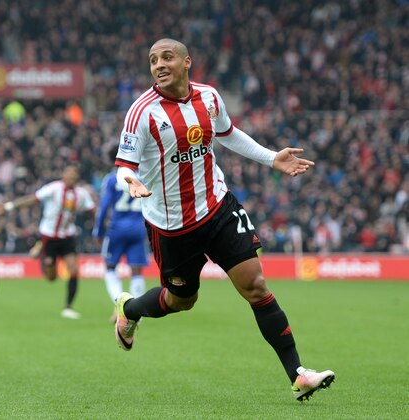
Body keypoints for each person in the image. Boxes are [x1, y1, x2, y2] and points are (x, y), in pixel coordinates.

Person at [112, 39, 335, 401]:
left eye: (167, 57)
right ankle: (130, 308)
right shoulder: (143, 112)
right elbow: (123, 165)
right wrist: (130, 181)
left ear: (187, 62)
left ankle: (298, 374)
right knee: (181, 300)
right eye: (153, 61)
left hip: (217, 207)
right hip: (171, 225)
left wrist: (270, 158)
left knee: (256, 286)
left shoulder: (210, 98)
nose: (159, 65)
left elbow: (228, 135)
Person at [0, 165, 96, 320]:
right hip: (49, 236)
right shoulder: (54, 188)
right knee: (51, 278)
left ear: (77, 178)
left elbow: (92, 209)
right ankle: (42, 252)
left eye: (74, 175)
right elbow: (32, 199)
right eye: (68, 174)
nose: (71, 177)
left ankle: (68, 307)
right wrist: (8, 206)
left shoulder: (82, 194)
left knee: (74, 269)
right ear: (63, 175)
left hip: (67, 236)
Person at [92, 147, 148, 322]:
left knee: (110, 267)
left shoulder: (111, 179)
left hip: (116, 229)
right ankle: (135, 312)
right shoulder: (144, 176)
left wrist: (98, 232)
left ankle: (120, 306)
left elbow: (103, 208)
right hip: (139, 228)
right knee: (136, 270)